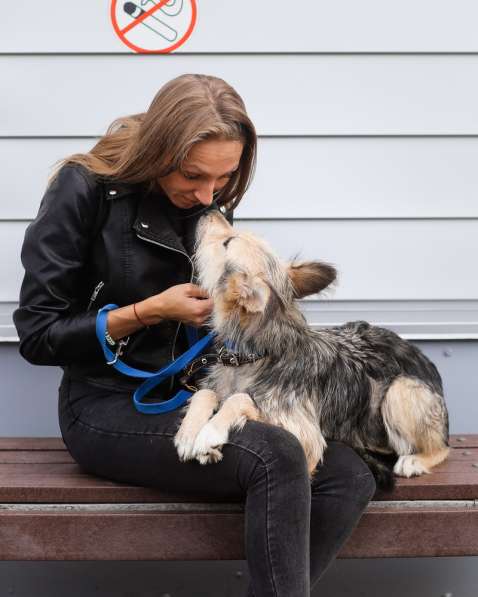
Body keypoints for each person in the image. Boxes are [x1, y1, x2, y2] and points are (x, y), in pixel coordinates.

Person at [13, 73, 376, 596]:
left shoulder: (208, 198)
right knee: (274, 456)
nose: (209, 196)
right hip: (105, 406)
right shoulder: (85, 189)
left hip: (203, 390)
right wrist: (147, 312)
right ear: (160, 149)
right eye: (192, 176)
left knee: (350, 471)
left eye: (224, 179)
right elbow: (37, 334)